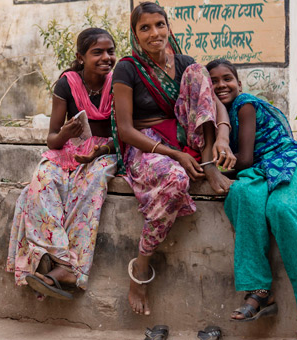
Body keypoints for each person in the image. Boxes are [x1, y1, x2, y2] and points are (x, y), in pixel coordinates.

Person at [110, 1, 236, 318]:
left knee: (197, 71)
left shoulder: (184, 63)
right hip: (148, 145)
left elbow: (212, 104)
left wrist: (222, 136)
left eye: (160, 25)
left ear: (168, 27)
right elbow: (125, 129)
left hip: (185, 136)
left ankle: (208, 164)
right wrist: (174, 154)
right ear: (135, 34)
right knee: (177, 180)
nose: (155, 33)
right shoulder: (127, 68)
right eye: (145, 28)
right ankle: (142, 264)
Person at [207, 58, 297, 340]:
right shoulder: (214, 117)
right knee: (242, 194)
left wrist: (210, 170)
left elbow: (243, 159)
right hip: (259, 171)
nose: (221, 85)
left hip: (289, 161)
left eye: (227, 78)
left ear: (239, 83)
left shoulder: (244, 104)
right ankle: (259, 291)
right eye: (214, 81)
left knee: (282, 208)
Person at [6, 28, 118, 300]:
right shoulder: (67, 84)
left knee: (89, 187)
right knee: (41, 180)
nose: (106, 57)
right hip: (71, 149)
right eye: (97, 52)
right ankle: (60, 259)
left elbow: (126, 132)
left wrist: (99, 150)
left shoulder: (120, 82)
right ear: (80, 57)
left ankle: (60, 269)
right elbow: (53, 140)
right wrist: (67, 133)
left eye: (110, 51)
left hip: (108, 151)